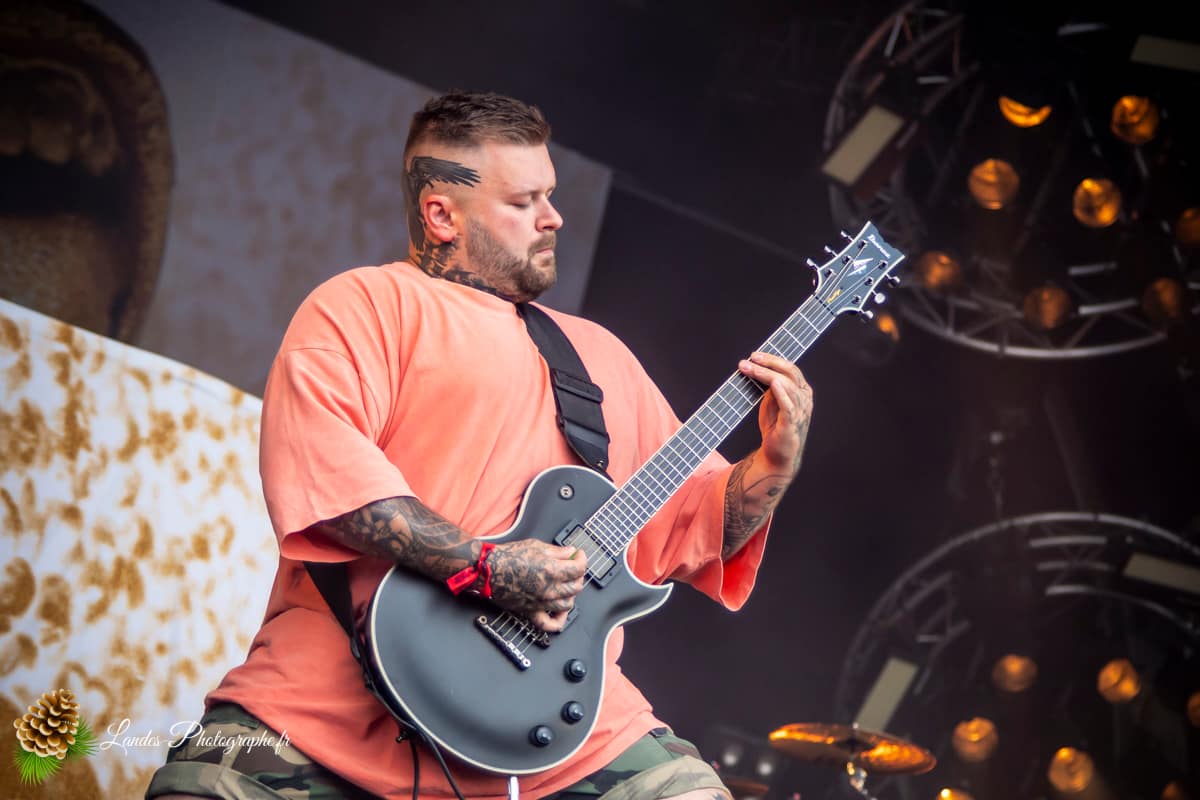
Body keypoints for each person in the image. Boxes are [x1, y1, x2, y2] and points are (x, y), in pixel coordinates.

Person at [147, 90, 813, 800]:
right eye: (525, 201)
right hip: (323, 710)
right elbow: (333, 491)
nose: (553, 217)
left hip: (554, 735)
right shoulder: (361, 307)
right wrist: (488, 569)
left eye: (551, 195)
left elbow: (700, 529)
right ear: (442, 215)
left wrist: (772, 466)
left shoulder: (599, 358)